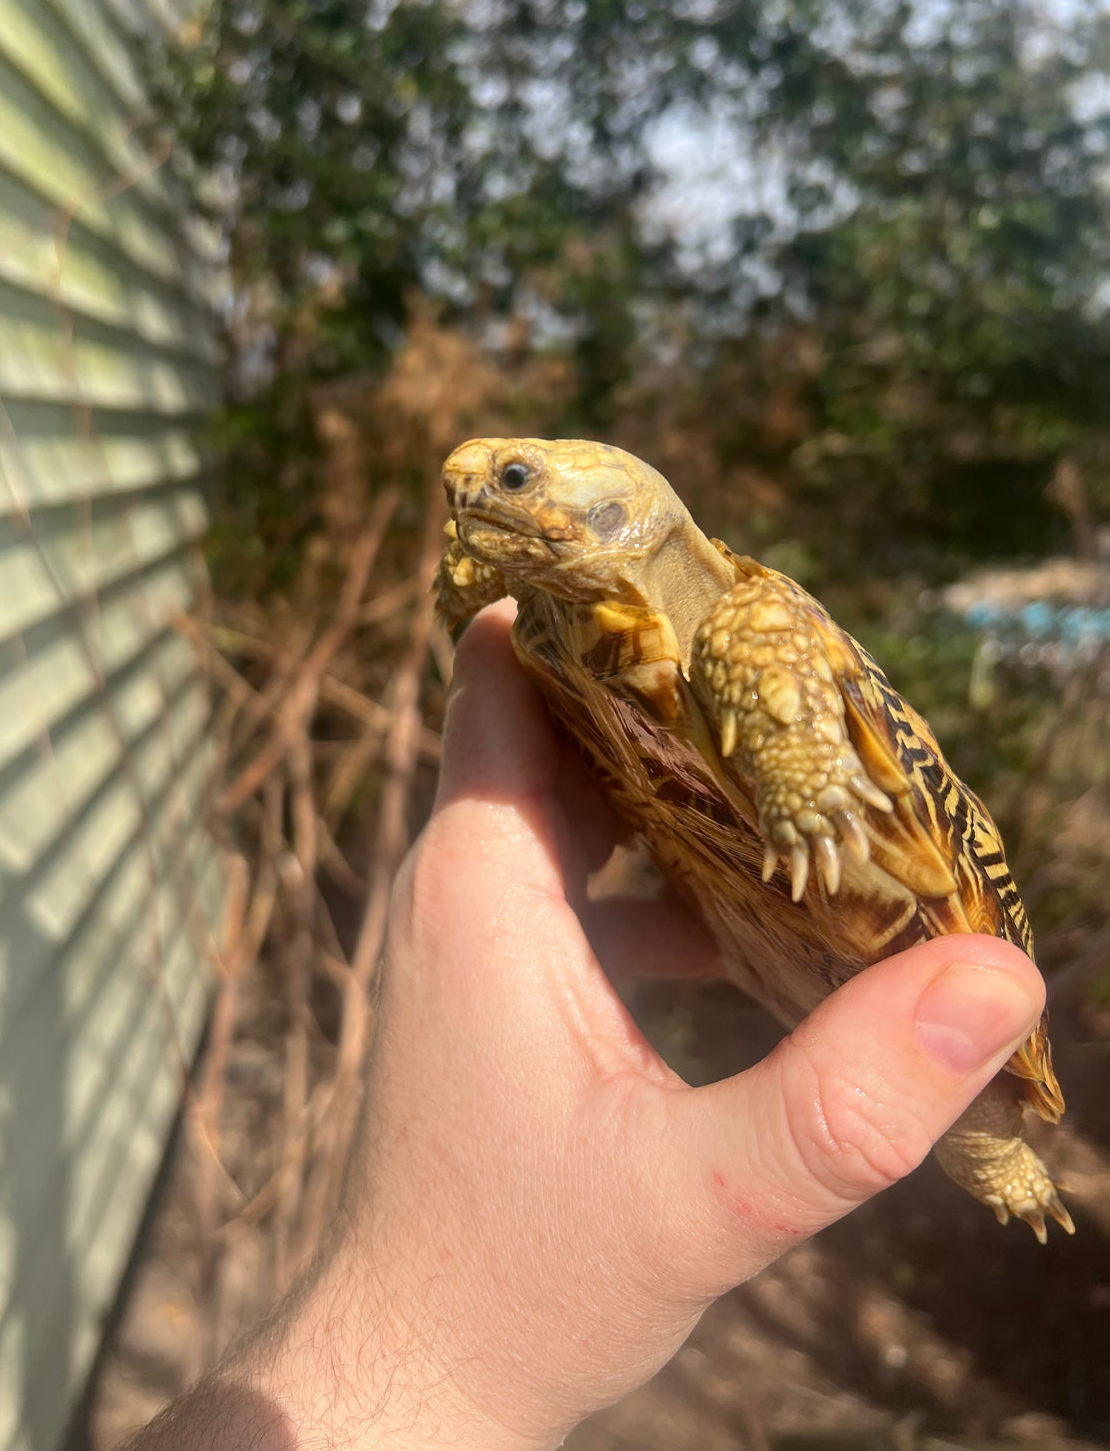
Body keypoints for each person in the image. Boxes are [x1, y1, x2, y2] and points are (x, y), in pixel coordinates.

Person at [124, 601, 1045, 1451]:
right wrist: (441, 1360)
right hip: (734, 900)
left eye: (518, 481)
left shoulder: (741, 618)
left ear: (620, 511)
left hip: (868, 869)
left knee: (979, 1114)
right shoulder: (561, 637)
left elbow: (764, 634)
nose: (481, 493)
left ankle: (997, 1144)